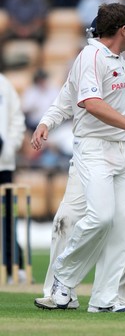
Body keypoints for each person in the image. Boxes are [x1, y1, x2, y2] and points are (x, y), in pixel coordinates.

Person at [33, 2, 125, 313]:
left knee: (121, 227)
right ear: (122, 31)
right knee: (101, 216)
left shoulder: (121, 60)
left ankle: (105, 299)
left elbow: (106, 102)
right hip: (95, 148)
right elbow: (88, 101)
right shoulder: (90, 56)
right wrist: (48, 120)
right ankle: (63, 279)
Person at [0, 73, 26, 282]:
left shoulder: (3, 83)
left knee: (7, 217)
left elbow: (17, 118)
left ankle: (12, 266)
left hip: (2, 164)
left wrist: (8, 149)